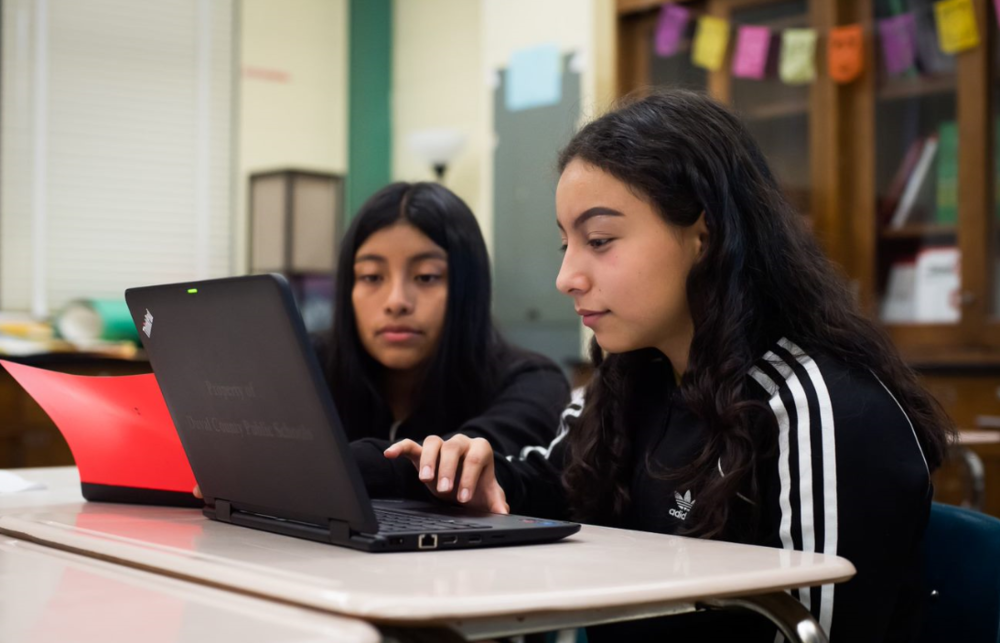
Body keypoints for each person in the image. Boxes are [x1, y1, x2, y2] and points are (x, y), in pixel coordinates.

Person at [385, 91, 952, 642]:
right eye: (567, 245)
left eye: (600, 240)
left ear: (704, 236)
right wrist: (484, 478)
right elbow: (556, 485)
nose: (567, 278)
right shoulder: (629, 379)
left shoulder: (817, 409)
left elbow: (812, 631)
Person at [196, 182, 570, 500]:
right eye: (372, 277)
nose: (396, 302)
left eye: (426, 277)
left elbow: (451, 467)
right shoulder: (302, 363)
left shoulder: (533, 381)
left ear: (468, 289)